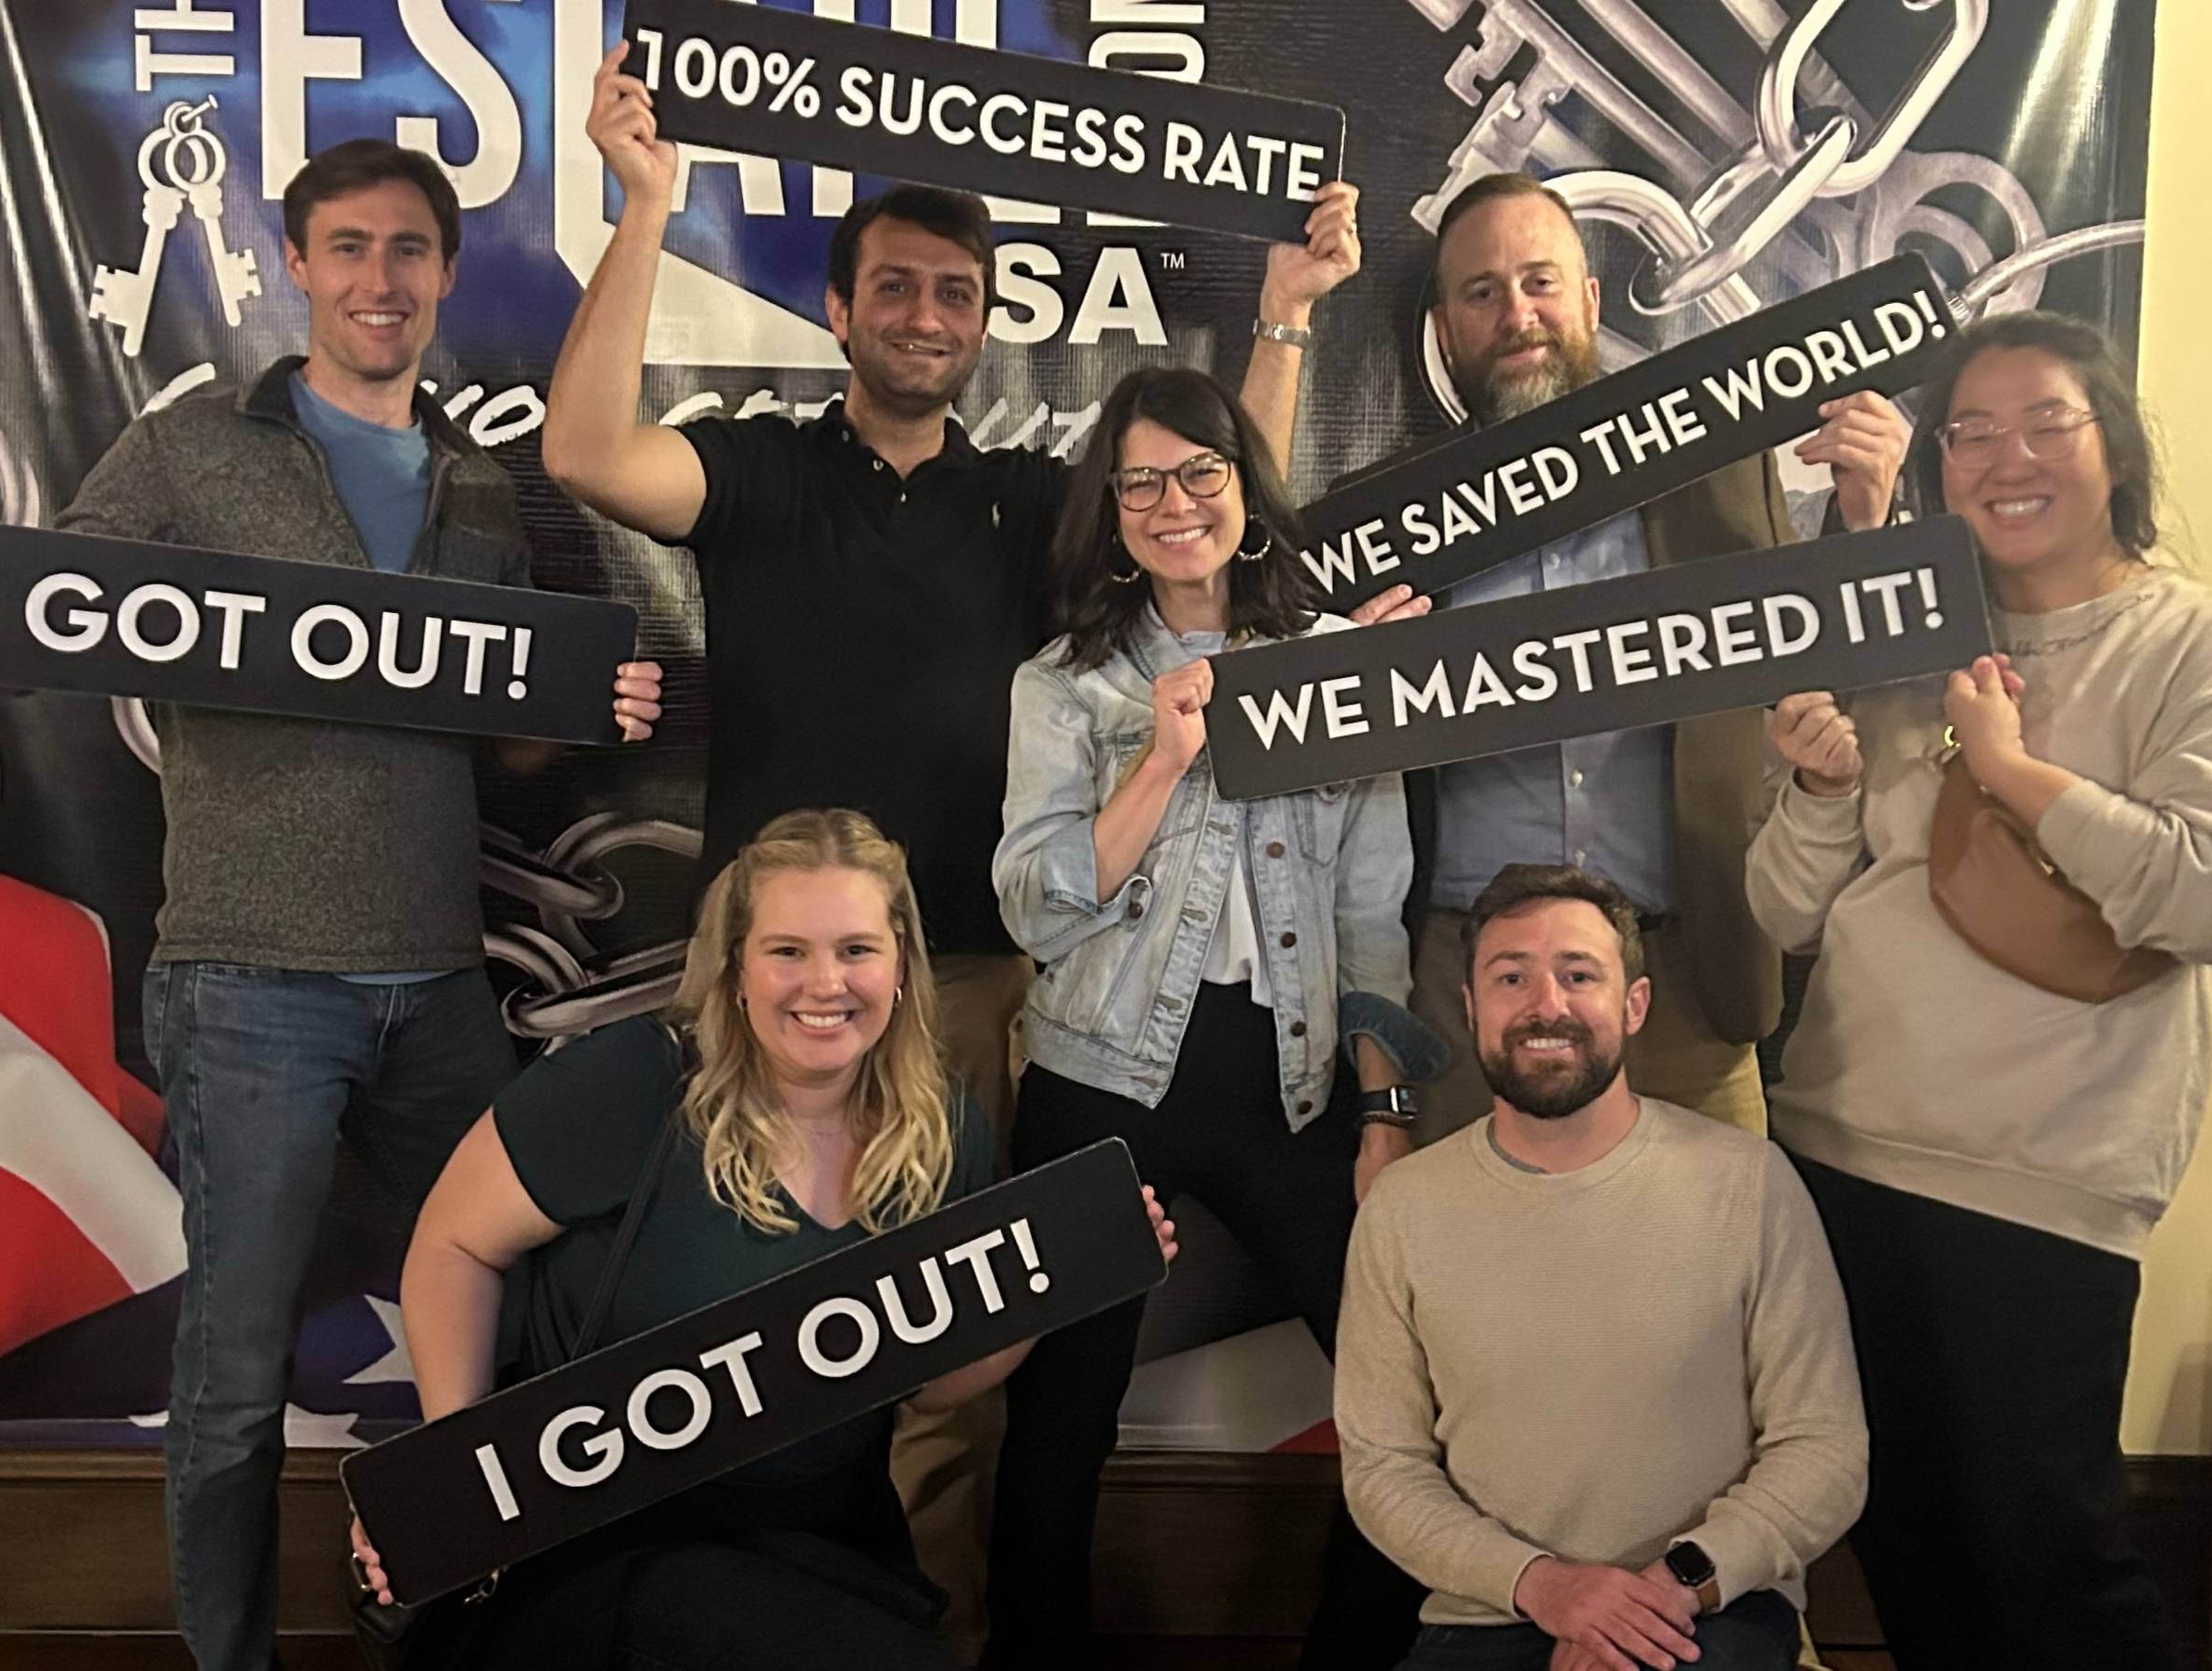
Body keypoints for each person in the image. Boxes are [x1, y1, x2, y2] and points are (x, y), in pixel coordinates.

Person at [538, 41, 1382, 1647]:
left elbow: (1208, 495)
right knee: (731, 1306)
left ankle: (918, 1635)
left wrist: (1285, 319)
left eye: (956, 294)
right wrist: (646, 204)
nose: (929, 316)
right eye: (898, 289)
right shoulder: (764, 468)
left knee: (944, 1365)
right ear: (841, 310)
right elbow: (584, 453)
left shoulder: (1028, 505)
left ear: (985, 322)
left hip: (979, 983)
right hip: (774, 976)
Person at [0, 139, 664, 1671]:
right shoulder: (187, 455)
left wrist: (591, 701)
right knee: (229, 1376)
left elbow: (507, 735)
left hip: (437, 988)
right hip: (246, 989)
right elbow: (32, 627)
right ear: (297, 266)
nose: (381, 278)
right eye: (349, 248)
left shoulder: (479, 490)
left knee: (520, 1327)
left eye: (410, 250)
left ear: (441, 273)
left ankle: (473, 1614)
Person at [1749, 310, 2212, 1670]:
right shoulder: (1903, 636)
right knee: (1902, 1544)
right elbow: (1780, 909)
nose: (2007, 458)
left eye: (2044, 421)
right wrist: (1822, 788)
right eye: (1970, 432)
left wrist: (2010, 773)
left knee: (2044, 1561)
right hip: (1838, 1154)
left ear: (2110, 443)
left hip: (2039, 1178)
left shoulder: (2205, 649)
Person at [346, 808, 1178, 1667]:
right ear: (736, 968)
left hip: (820, 1540)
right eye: (789, 951)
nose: (826, 983)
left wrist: (1047, 1287)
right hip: (600, 1541)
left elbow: (929, 1389)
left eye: (857, 949)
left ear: (900, 969)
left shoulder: (940, 1134)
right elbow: (454, 1245)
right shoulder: (636, 1081)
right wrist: (462, 1482)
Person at [987, 366, 1443, 1670]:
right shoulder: (1062, 686)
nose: (1175, 502)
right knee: (1062, 1416)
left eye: (1203, 472)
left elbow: (1370, 914)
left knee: (1395, 1392)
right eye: (1143, 479)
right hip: (1096, 1082)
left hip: (1288, 1086)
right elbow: (1035, 906)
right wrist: (1167, 753)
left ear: (1245, 488)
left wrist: (1383, 1110)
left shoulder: (1330, 668)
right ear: (1112, 508)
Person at [1386, 171, 1910, 1147]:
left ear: (1588, 302)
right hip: (1465, 1003)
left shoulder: (1718, 478)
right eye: (1482, 292)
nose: (1517, 314)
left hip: (1682, 993)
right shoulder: (1394, 529)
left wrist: (1871, 518)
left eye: (1541, 282)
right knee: (1478, 1293)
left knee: (1713, 1288)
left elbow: (1821, 671)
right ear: (1446, 330)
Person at [1337, 864, 1866, 1671]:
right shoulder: (1402, 1210)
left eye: (1578, 975)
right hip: (1486, 1617)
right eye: (1512, 977)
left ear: (1634, 1004)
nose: (1546, 1005)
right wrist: (1550, 1589)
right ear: (1473, 1009)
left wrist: (1664, 1590)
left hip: (1708, 1609)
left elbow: (1825, 1450)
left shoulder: (1751, 1183)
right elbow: (1383, 1468)